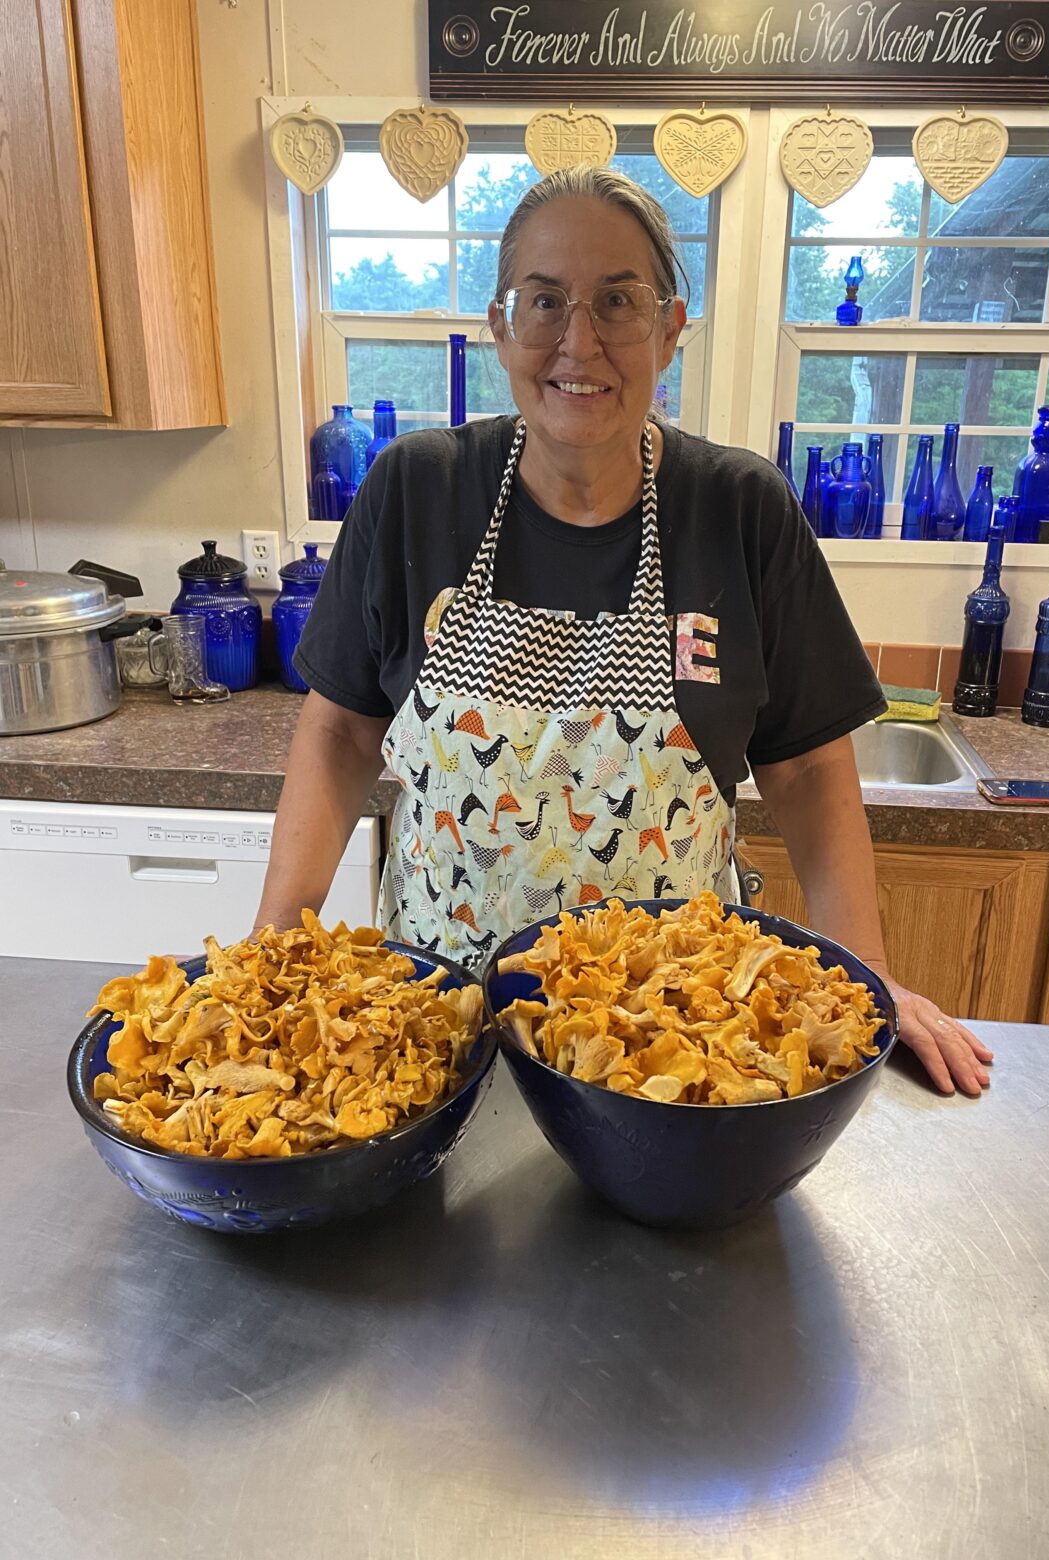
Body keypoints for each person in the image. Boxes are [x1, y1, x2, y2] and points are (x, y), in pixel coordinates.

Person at [257, 166, 992, 1098]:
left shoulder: (738, 510)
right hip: (434, 1040)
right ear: (499, 325)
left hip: (671, 1062)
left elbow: (806, 770)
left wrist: (863, 977)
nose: (580, 342)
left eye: (618, 301)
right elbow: (342, 729)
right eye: (545, 302)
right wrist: (277, 945)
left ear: (671, 328)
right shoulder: (415, 491)